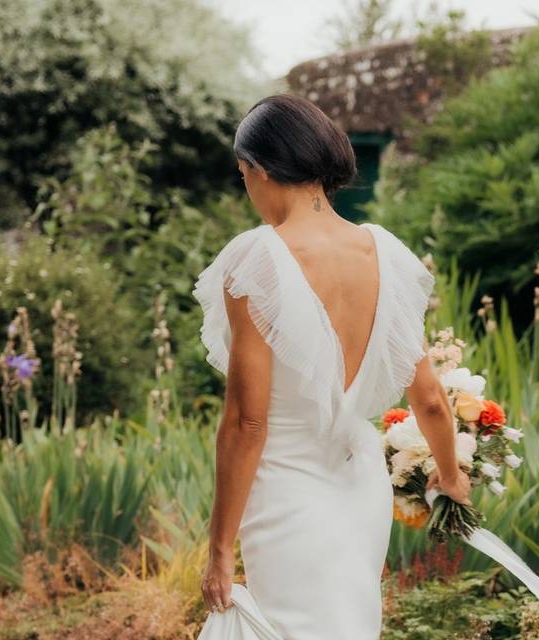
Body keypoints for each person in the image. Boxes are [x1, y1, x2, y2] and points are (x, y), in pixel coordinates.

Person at [193, 93, 471, 639]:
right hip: (358, 484)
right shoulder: (385, 251)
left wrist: (220, 550)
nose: (248, 189)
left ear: (263, 170)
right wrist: (451, 474)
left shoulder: (255, 261)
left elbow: (248, 424)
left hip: (286, 486)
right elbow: (431, 398)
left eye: (243, 174)